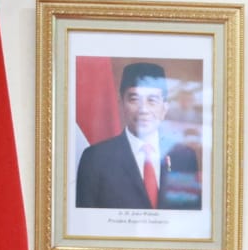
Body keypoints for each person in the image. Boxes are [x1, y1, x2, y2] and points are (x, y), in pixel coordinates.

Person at [75, 62, 202, 211]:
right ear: (121, 104)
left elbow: (189, 215)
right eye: (134, 99)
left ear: (164, 108)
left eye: (152, 100)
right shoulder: (95, 158)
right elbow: (86, 220)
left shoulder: (184, 157)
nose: (143, 110)